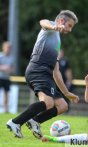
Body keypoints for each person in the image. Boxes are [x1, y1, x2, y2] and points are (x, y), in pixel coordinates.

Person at [6, 10, 79, 138]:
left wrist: (67, 93)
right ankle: (15, 122)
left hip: (46, 73)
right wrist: (54, 26)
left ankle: (35, 121)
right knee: (48, 103)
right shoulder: (50, 27)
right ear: (62, 21)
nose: (70, 30)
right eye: (69, 26)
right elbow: (43, 22)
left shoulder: (57, 41)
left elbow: (56, 72)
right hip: (37, 69)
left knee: (63, 105)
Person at [0, 41, 14, 113]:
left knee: (6, 94)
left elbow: (12, 68)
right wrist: (4, 68)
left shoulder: (11, 58)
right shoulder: (0, 56)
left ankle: (6, 109)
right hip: (0, 77)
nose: (8, 49)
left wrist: (10, 70)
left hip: (6, 78)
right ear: (4, 48)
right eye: (7, 47)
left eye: (10, 48)